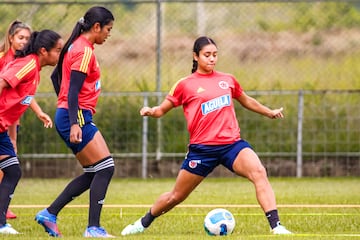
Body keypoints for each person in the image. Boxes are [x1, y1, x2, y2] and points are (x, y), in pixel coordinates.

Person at [121, 36, 292, 236]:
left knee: (259, 173)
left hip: (232, 145)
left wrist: (269, 112)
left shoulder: (227, 79)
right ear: (196, 56)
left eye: (215, 55)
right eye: (207, 55)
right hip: (202, 150)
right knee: (176, 196)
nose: (212, 59)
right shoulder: (185, 84)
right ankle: (142, 223)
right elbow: (162, 110)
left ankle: (276, 226)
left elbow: (246, 100)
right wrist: (152, 110)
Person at [35, 6, 115, 238]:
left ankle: (49, 214)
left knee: (94, 171)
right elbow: (72, 92)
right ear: (96, 27)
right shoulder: (83, 50)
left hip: (74, 113)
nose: (109, 34)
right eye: (108, 29)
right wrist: (74, 121)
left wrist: (67, 111)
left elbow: (56, 77)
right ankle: (93, 229)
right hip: (76, 115)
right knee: (106, 167)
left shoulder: (77, 46)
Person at [0, 29, 63, 235]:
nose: (59, 55)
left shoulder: (34, 68)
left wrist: (39, 112)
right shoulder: (28, 63)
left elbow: (19, 94)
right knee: (12, 171)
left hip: (1, 129)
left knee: (12, 171)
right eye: (57, 50)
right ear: (44, 51)